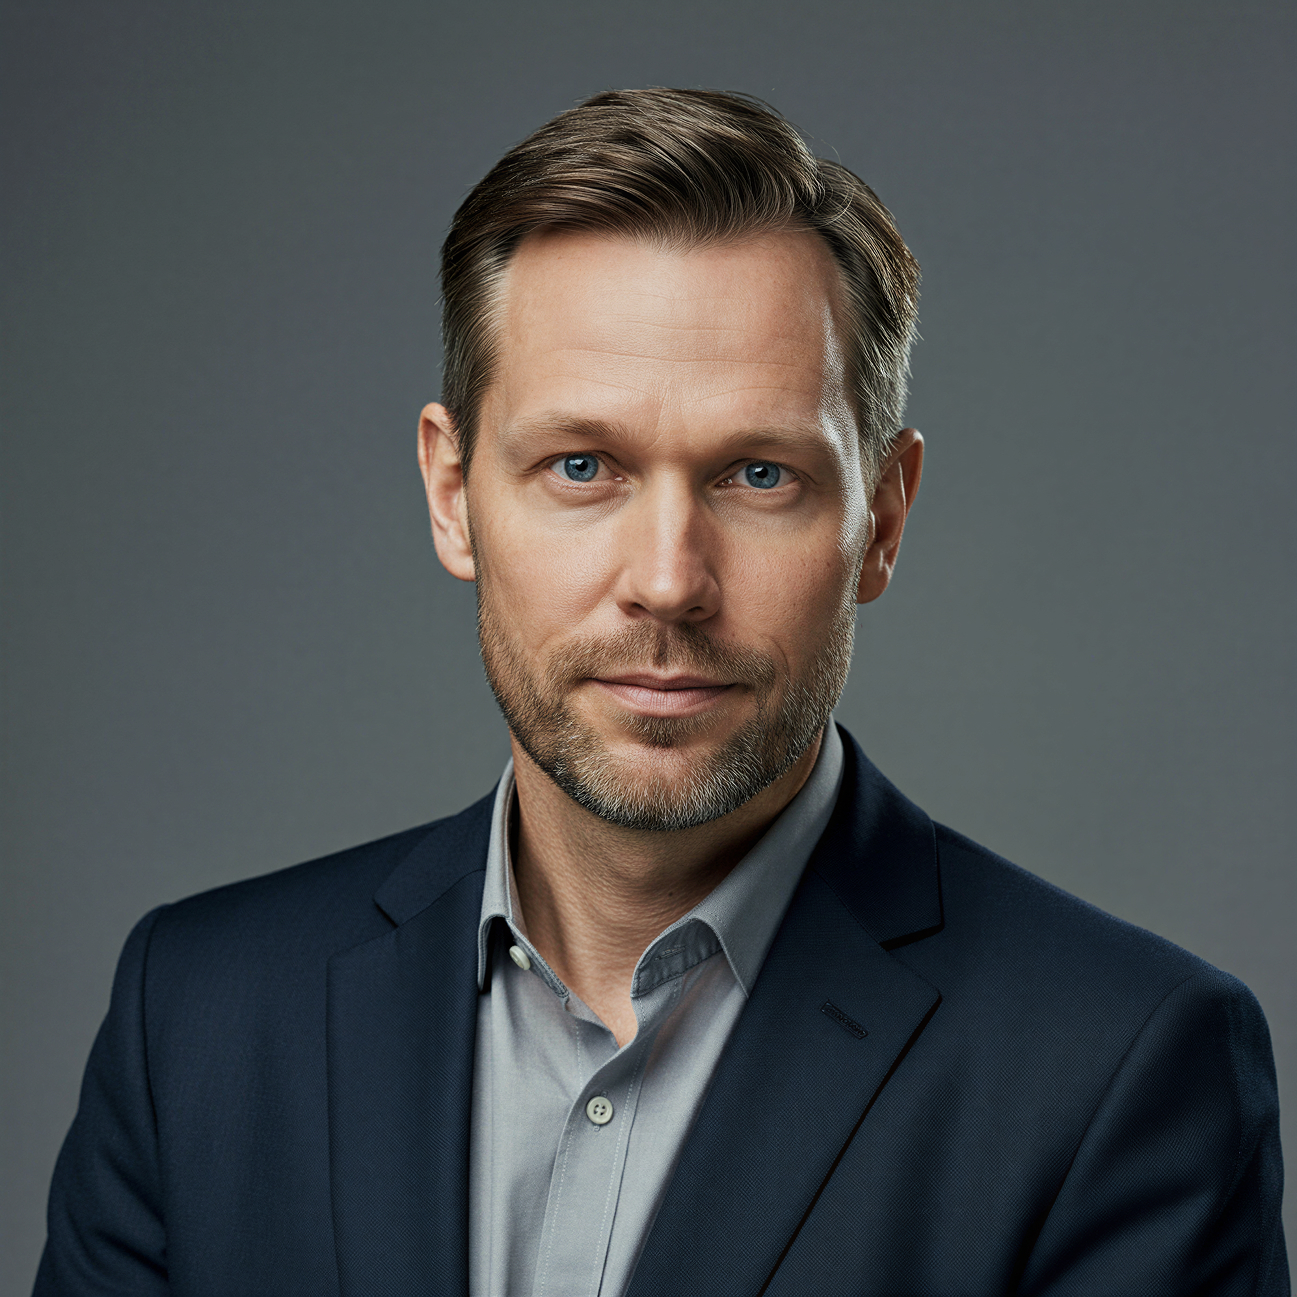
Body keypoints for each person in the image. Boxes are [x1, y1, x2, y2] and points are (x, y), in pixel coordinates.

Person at [35, 88, 1286, 1297]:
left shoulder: (1121, 1067)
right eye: (581, 465)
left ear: (882, 520)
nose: (669, 582)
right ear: (451, 492)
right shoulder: (196, 1019)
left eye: (757, 474)